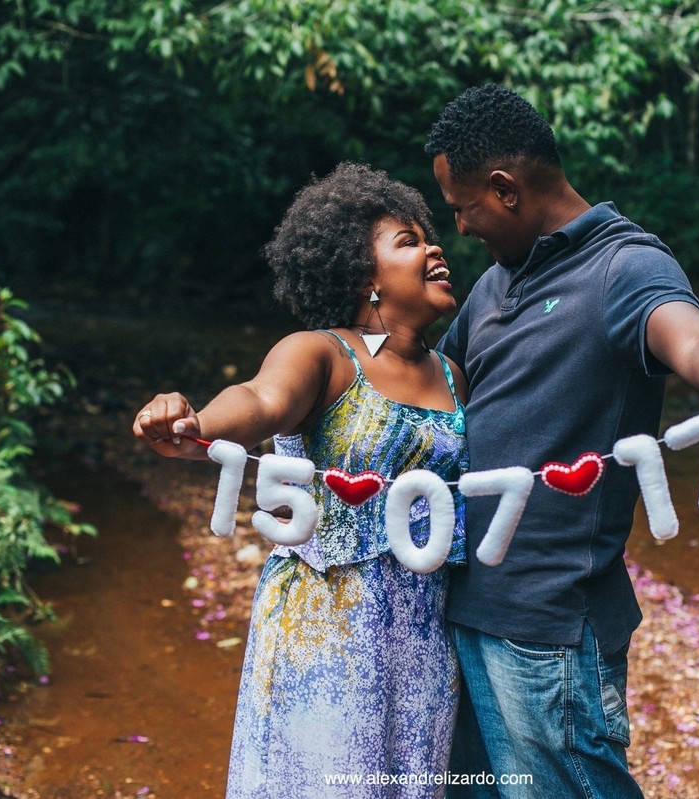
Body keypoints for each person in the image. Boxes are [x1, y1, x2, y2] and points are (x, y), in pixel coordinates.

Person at [424, 84, 699, 798]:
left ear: (505, 189)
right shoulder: (489, 289)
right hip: (466, 607)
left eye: (463, 208)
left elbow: (691, 334)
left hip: (548, 632)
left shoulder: (623, 265)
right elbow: (432, 394)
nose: (458, 226)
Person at [132, 163, 468, 799]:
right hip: (327, 630)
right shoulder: (321, 353)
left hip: (426, 637)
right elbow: (260, 401)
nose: (433, 247)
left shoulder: (454, 375)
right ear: (364, 277)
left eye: (430, 237)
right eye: (408, 240)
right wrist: (197, 421)